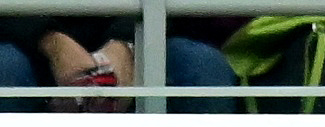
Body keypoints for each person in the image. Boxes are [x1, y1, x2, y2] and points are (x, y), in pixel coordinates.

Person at [0, 14, 240, 110]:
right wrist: (51, 41)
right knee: (6, 68)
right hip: (21, 38)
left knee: (203, 68)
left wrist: (125, 42)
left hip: (142, 32)